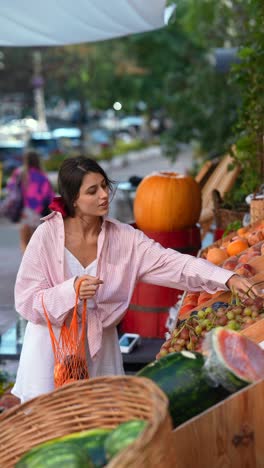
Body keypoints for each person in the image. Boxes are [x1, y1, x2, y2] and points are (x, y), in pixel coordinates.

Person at [12, 156, 261, 403]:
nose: (103, 195)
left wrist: (226, 277)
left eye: (104, 186)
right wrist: (70, 290)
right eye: (92, 191)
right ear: (73, 200)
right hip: (49, 354)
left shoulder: (124, 239)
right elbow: (26, 299)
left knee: (103, 429)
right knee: (50, 430)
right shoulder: (46, 236)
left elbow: (173, 262)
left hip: (99, 354)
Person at [6, 150, 55, 252]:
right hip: (37, 212)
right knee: (35, 241)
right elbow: (49, 195)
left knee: (24, 240)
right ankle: (34, 262)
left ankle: (26, 263)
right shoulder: (42, 176)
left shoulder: (19, 173)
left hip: (24, 211)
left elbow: (10, 187)